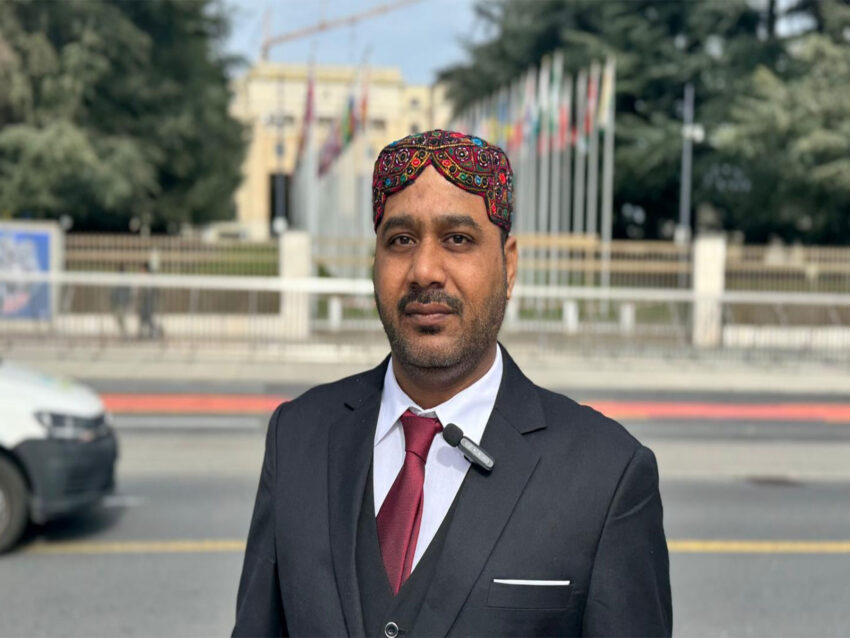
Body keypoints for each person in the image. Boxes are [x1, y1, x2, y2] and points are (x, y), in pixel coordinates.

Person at [233, 129, 672, 638]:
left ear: (508, 265)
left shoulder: (607, 474)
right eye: (400, 240)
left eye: (457, 239)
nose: (424, 271)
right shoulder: (297, 437)